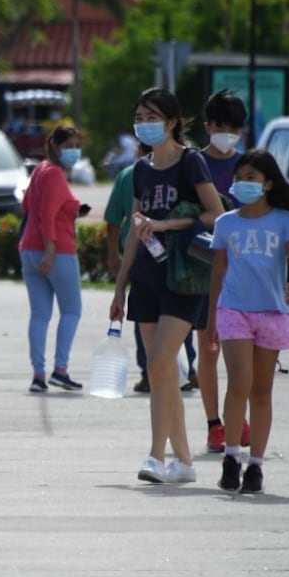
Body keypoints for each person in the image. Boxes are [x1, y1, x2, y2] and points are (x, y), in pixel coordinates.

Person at [109, 87, 226, 484]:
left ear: (173, 122)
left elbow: (216, 214)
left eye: (151, 117)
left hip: (184, 276)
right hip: (147, 275)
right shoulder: (140, 170)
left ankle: (156, 456)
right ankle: (185, 462)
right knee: (162, 372)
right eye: (139, 117)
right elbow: (133, 231)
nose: (144, 124)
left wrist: (168, 224)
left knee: (161, 362)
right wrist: (119, 287)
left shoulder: (192, 163)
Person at [206, 149, 289, 494]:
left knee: (261, 391)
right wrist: (211, 321)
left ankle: (256, 466)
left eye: (252, 177)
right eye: (240, 177)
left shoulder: (285, 221)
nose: (244, 183)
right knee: (239, 381)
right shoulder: (226, 223)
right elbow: (218, 272)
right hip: (233, 310)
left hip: (273, 311)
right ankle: (232, 457)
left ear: (267, 183)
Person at [196, 88, 252, 453]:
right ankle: (215, 423)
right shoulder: (194, 164)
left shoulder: (250, 167)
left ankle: (237, 416)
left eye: (233, 127)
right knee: (209, 348)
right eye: (220, 125)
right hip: (204, 270)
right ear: (207, 126)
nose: (226, 133)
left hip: (243, 272)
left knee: (240, 352)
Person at [20, 125, 86, 393]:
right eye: (69, 146)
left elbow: (27, 206)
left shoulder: (39, 170)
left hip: (28, 248)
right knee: (71, 310)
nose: (73, 151)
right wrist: (50, 247)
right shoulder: (56, 174)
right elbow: (48, 213)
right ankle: (60, 369)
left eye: (76, 146)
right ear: (56, 146)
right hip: (57, 251)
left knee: (40, 314)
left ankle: (38, 375)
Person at [104, 142, 151, 392]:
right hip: (157, 256)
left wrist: (113, 255)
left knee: (144, 312)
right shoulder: (132, 175)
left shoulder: (128, 174)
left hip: (139, 257)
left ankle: (149, 372)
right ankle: (185, 368)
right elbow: (115, 221)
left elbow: (113, 222)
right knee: (173, 313)